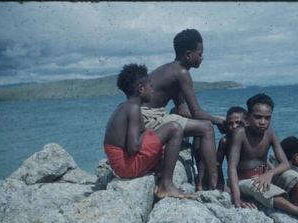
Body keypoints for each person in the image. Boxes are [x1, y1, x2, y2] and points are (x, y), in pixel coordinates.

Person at [140, 29, 225, 191]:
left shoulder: (171, 69)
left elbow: (181, 109)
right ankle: (214, 184)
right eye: (199, 54)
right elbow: (197, 113)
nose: (202, 58)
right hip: (148, 119)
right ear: (188, 55)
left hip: (143, 115)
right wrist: (217, 120)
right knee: (206, 128)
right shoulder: (182, 73)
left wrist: (207, 118)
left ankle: (202, 180)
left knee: (177, 113)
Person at [227, 93, 298, 223]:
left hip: (263, 177)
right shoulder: (240, 134)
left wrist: (269, 174)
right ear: (247, 117)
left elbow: (285, 164)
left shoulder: (271, 134)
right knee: (261, 186)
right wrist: (237, 198)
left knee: (293, 176)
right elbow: (232, 167)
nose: (263, 122)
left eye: (267, 118)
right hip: (245, 181)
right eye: (258, 117)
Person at [103, 63, 191, 199]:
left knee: (159, 140)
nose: (153, 90)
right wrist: (148, 133)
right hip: (126, 167)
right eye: (150, 86)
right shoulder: (133, 109)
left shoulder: (124, 107)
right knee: (174, 128)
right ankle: (166, 186)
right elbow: (133, 147)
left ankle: (160, 175)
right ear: (140, 89)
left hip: (120, 166)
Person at [216, 106, 249, 191]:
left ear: (247, 122)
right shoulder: (225, 142)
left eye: (238, 122)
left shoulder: (251, 138)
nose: (234, 126)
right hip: (238, 180)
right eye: (230, 123)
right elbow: (217, 164)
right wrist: (221, 184)